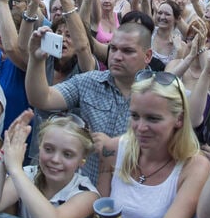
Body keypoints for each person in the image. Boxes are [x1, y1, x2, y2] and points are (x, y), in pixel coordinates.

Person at [54, 70, 210, 218]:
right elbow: (102, 207)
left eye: (153, 118)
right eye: (135, 115)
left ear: (179, 119)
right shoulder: (114, 149)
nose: (140, 127)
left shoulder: (195, 166)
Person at [25, 21, 154, 180]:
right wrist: (36, 59)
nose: (117, 57)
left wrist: (118, 146)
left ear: (147, 56)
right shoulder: (88, 82)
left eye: (127, 51)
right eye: (113, 49)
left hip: (134, 191)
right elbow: (42, 98)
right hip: (87, 192)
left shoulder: (161, 94)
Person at [0, 110, 99, 218]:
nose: (55, 159)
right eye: (48, 149)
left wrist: (15, 169)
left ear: (82, 160)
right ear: (40, 147)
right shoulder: (28, 174)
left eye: (67, 154)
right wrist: (6, 150)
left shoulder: (87, 193)